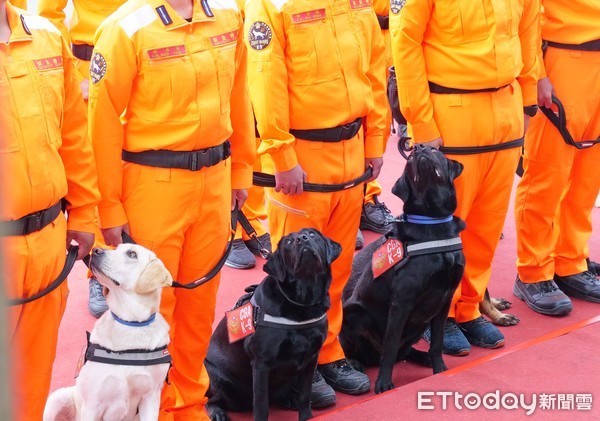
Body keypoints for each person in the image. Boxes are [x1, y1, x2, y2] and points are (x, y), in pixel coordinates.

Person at [88, 0, 255, 418]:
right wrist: (107, 208)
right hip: (153, 184)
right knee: (150, 308)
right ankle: (153, 408)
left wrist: (242, 173)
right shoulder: (126, 29)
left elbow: (240, 93)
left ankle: (190, 404)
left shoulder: (228, 13)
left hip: (214, 181)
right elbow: (102, 123)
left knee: (199, 305)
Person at [244, 0, 387, 407]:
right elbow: (265, 81)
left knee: (337, 269)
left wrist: (375, 141)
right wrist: (281, 156)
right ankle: (287, 370)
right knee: (292, 276)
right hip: (302, 161)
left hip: (351, 153)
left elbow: (374, 71)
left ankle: (327, 352)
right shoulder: (273, 6)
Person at [391, 0, 540, 356]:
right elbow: (406, 44)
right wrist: (422, 122)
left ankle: (469, 307)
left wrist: (528, 99)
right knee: (441, 229)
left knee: (486, 226)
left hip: (505, 108)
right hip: (451, 113)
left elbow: (528, 31)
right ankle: (434, 317)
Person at [0, 2, 100, 420]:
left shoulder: (45, 36)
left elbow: (73, 133)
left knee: (31, 378)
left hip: (47, 241)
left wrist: (85, 211)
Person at [38, 0, 128, 318]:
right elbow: (50, 16)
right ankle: (99, 270)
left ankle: (142, 261)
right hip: (90, 69)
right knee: (99, 170)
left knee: (148, 167)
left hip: (149, 63)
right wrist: (71, 72)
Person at [513, 1, 600, 315]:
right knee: (547, 172)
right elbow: (525, 13)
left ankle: (570, 260)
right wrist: (536, 73)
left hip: (592, 61)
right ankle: (533, 270)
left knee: (587, 177)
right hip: (563, 59)